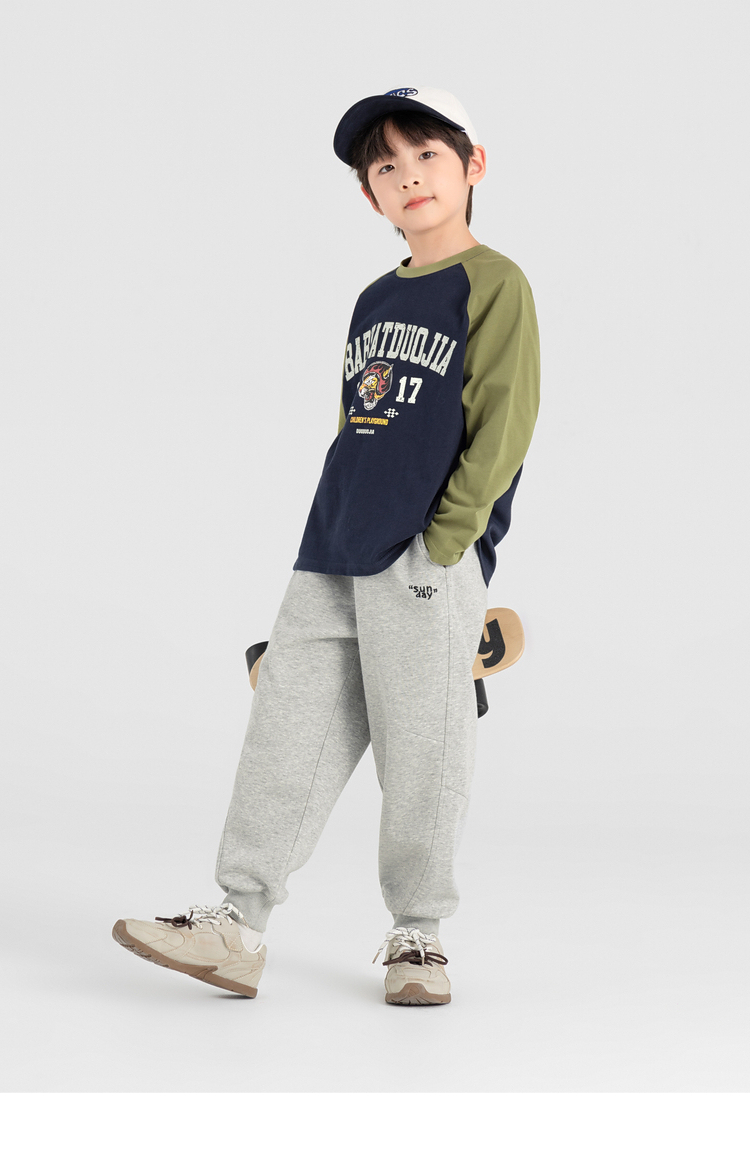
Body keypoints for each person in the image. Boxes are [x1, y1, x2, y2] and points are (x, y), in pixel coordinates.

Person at [112, 86, 541, 1006]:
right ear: (369, 195)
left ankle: (419, 935)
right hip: (333, 544)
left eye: (426, 155)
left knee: (422, 750)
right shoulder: (374, 298)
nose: (407, 175)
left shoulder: (495, 282)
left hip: (423, 555)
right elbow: (360, 425)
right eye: (385, 166)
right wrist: (334, 526)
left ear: (472, 164)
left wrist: (447, 543)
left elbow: (505, 425)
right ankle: (236, 926)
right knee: (286, 731)